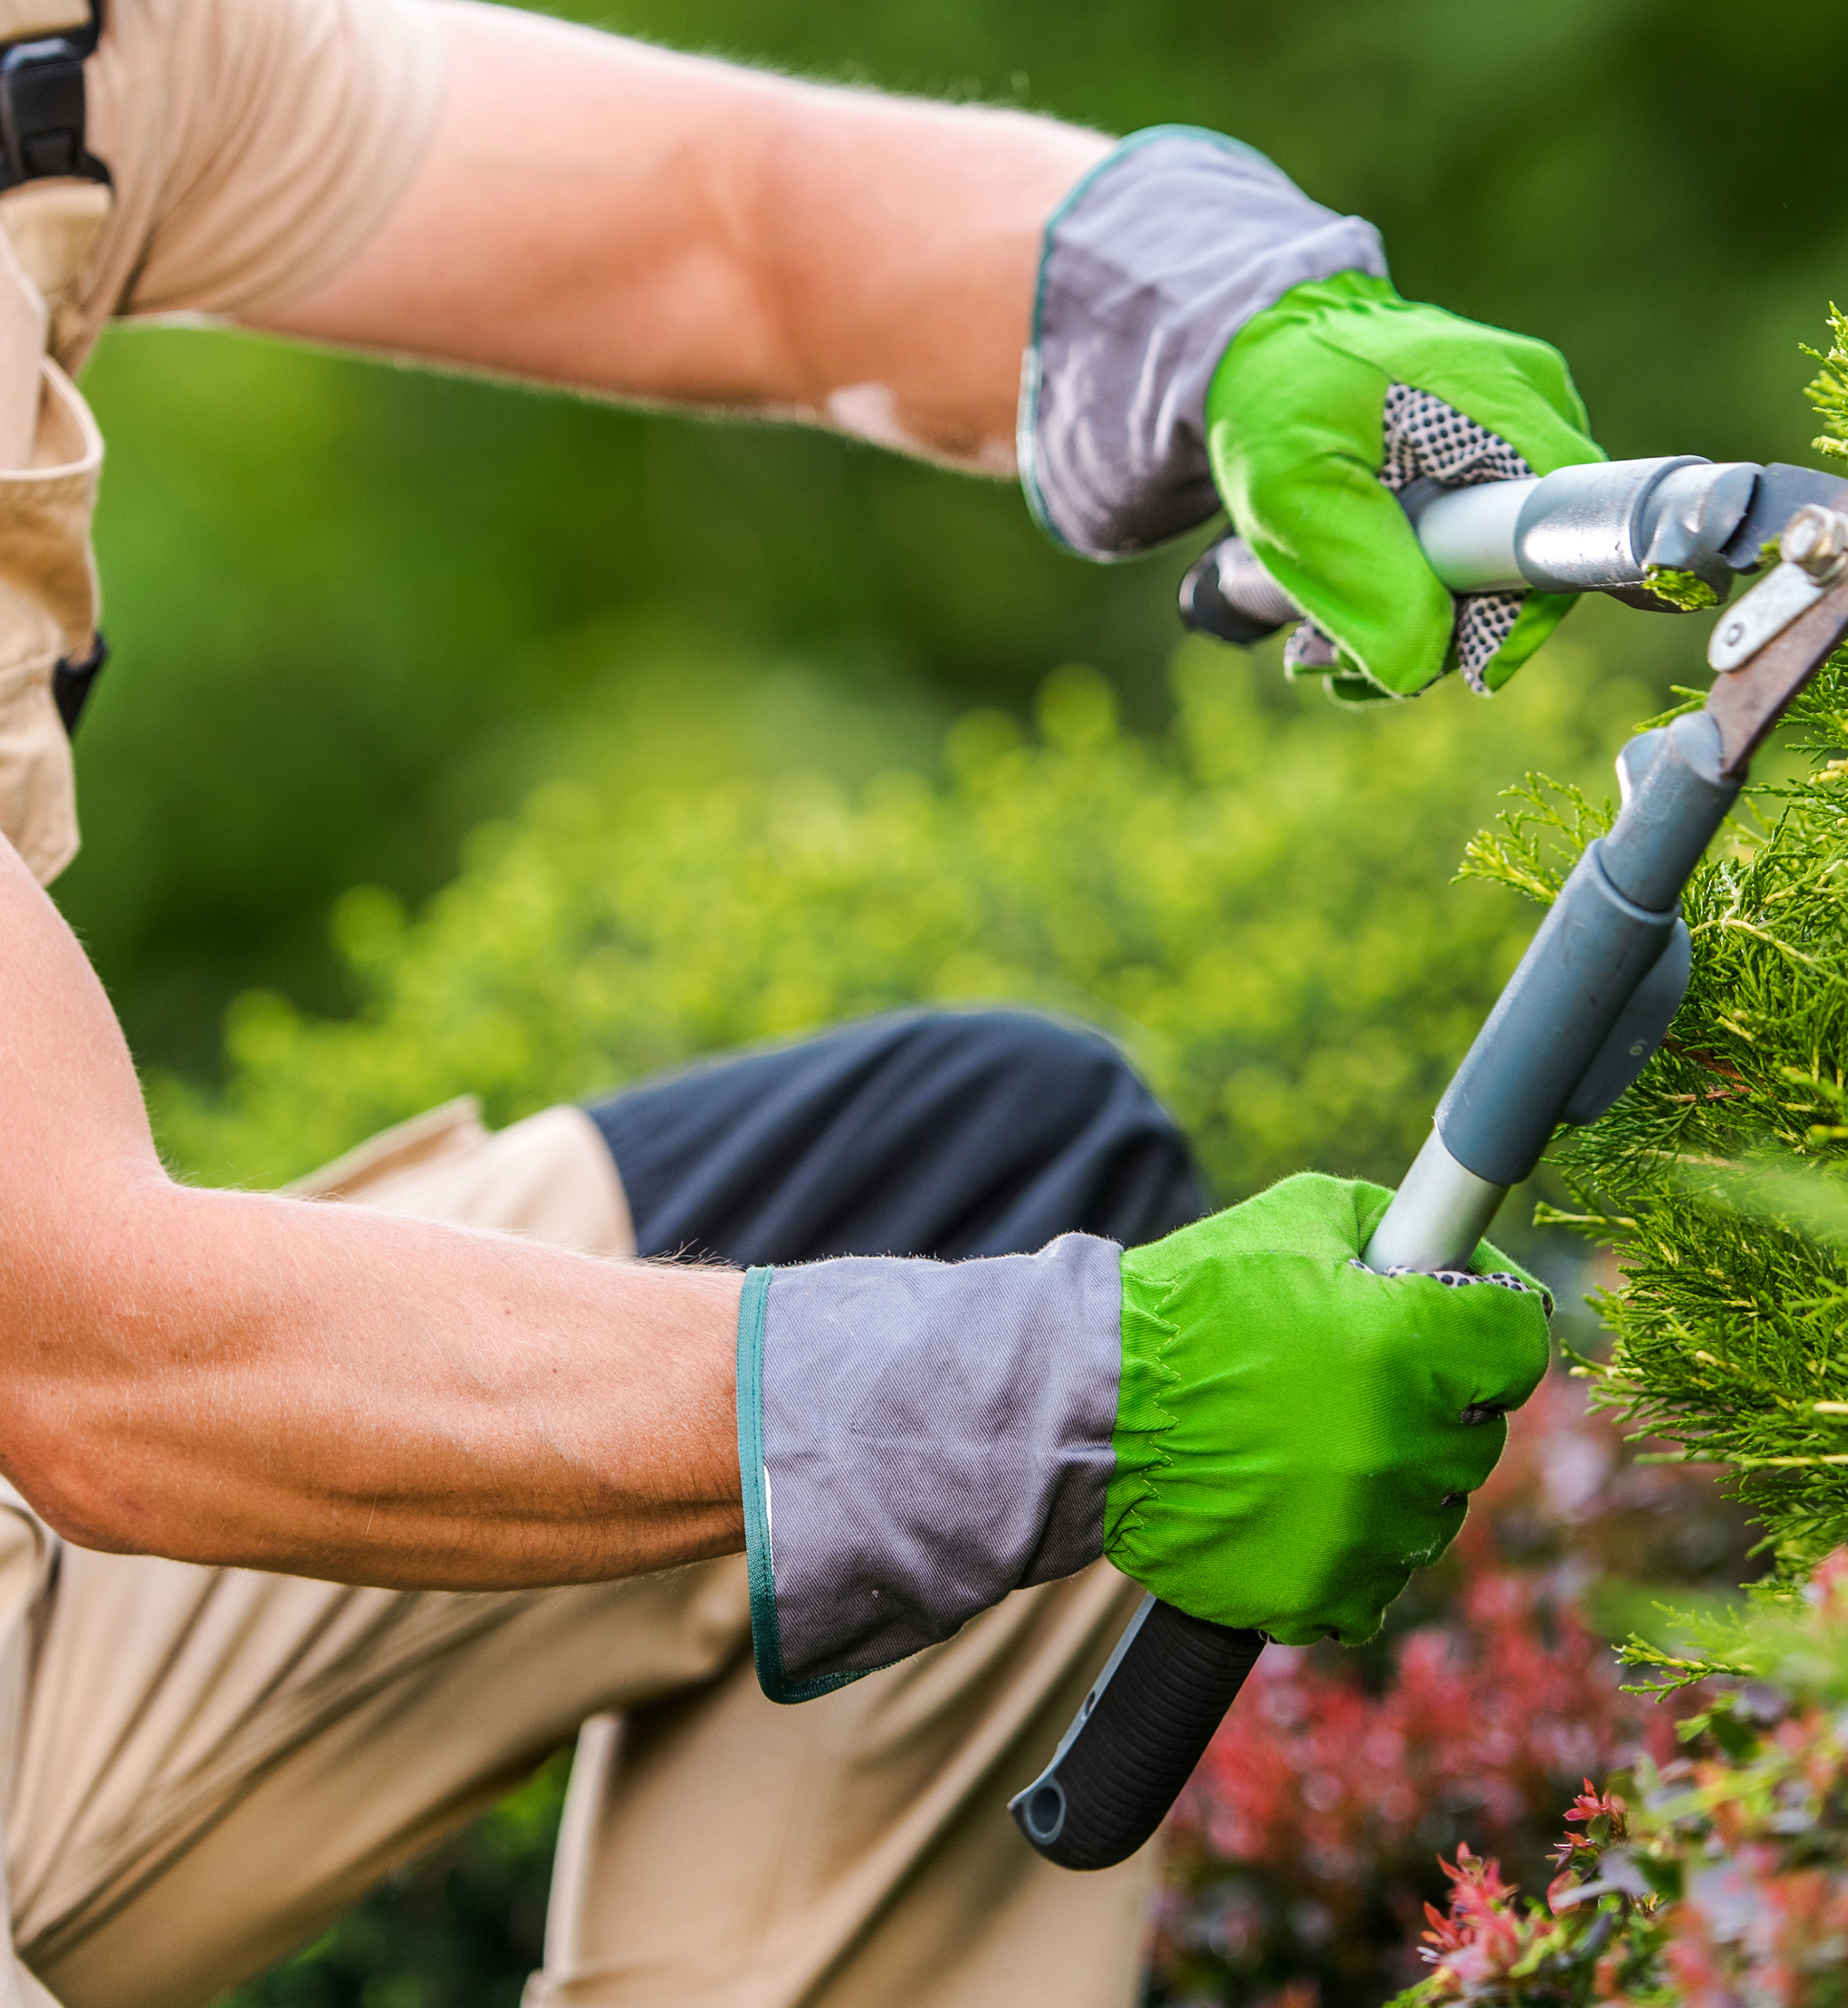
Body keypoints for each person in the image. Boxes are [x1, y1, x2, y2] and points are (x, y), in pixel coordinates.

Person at [0, 1, 1601, 2002]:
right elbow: (100, 1364)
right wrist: (1070, 1401)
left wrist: (1222, 312)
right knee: (1032, 1365)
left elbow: (728, 218)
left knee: (990, 1188)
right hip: (79, 1410)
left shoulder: (70, 61)